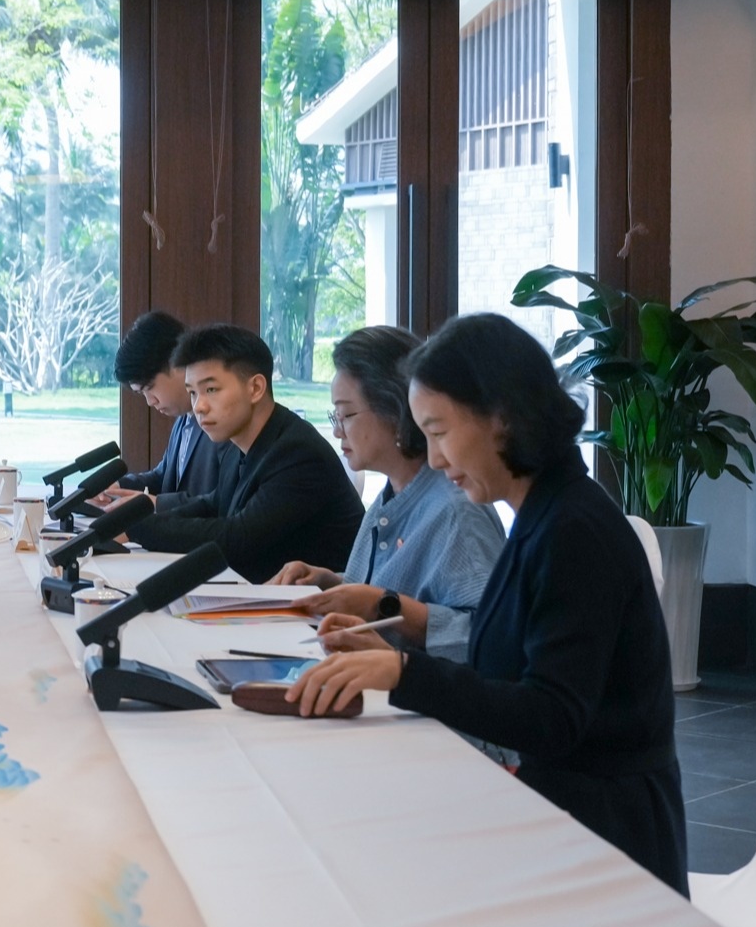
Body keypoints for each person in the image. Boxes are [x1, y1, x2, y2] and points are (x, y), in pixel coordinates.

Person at [287, 314, 688, 896]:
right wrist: (389, 654)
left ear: (502, 417)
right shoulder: (544, 512)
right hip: (565, 808)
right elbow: (509, 667)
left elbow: (551, 717)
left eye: (439, 431)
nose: (433, 457)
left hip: (608, 839)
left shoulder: (573, 530)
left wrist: (403, 671)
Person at [266, 326, 505, 660]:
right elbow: (384, 591)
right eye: (335, 415)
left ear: (395, 409)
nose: (337, 430)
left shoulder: (456, 510)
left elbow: (492, 636)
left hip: (414, 690)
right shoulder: (392, 492)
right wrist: (331, 583)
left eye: (346, 415)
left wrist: (383, 605)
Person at [117, 324, 365, 582]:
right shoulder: (238, 444)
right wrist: (136, 518)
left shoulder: (298, 452)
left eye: (211, 390)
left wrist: (139, 529)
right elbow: (214, 504)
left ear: (255, 388)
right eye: (192, 393)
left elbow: (238, 538)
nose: (199, 406)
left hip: (314, 603)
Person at [98, 310, 226, 504]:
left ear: (177, 362)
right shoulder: (183, 418)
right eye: (142, 393)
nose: (150, 401)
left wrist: (159, 505)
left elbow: (220, 502)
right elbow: (163, 476)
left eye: (150, 388)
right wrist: (118, 487)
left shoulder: (222, 421)